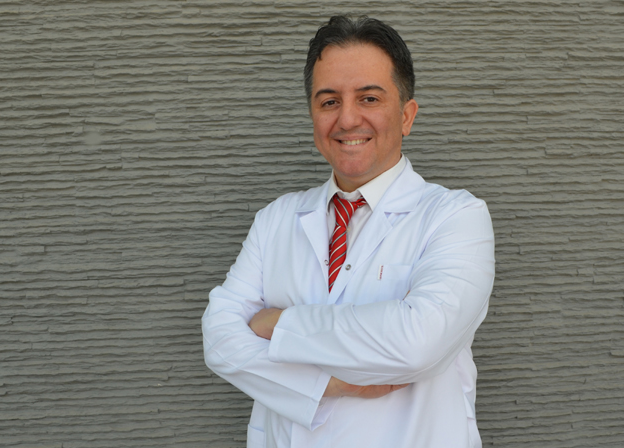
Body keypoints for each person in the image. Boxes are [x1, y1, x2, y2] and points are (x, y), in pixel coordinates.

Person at [202, 16, 495, 448]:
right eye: (329, 101)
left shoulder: (456, 217)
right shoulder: (276, 219)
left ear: (407, 115)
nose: (348, 118)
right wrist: (325, 386)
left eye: (369, 98)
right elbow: (220, 340)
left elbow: (417, 342)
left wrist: (278, 324)